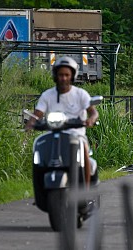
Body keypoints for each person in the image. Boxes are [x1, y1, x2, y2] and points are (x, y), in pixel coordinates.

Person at [25, 56, 99, 187]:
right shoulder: (47, 95)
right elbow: (38, 114)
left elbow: (93, 112)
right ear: (55, 76)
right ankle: (40, 190)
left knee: (85, 151)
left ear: (72, 76)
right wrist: (31, 123)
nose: (63, 78)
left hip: (77, 134)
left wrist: (91, 120)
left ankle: (85, 191)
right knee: (39, 153)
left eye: (66, 75)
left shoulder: (81, 94)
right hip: (53, 134)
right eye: (60, 75)